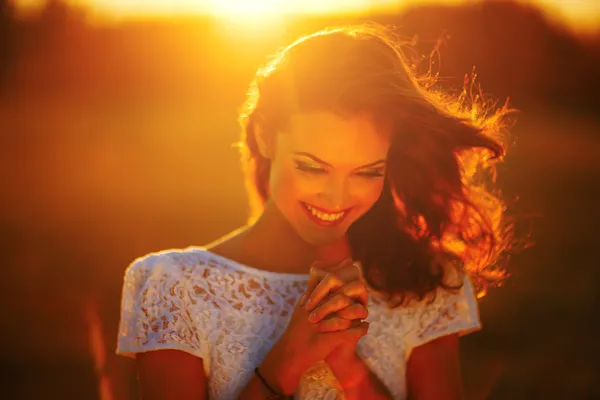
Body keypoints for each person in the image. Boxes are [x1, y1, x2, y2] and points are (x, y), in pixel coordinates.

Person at [116, 23, 515, 400]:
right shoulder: (172, 286)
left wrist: (350, 369)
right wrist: (283, 364)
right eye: (311, 166)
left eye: (367, 172)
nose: (336, 197)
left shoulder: (424, 282)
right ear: (264, 137)